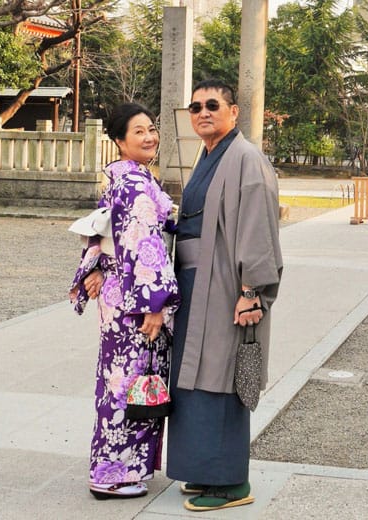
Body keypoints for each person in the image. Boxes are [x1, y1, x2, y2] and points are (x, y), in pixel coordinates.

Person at [166, 78, 284, 512]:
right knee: (193, 376)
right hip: (195, 283)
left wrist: (252, 292)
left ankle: (231, 481)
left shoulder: (247, 159)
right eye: (195, 107)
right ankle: (203, 469)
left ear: (233, 112)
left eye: (212, 105)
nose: (203, 113)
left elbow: (258, 229)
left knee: (221, 375)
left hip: (227, 286)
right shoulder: (208, 156)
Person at [69, 103, 180, 500]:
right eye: (139, 132)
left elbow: (104, 230)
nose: (149, 137)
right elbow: (141, 245)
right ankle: (110, 475)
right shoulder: (133, 182)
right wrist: (154, 303)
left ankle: (120, 467)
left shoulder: (127, 177)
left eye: (151, 129)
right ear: (119, 140)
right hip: (135, 298)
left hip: (120, 292)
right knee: (128, 381)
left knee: (121, 379)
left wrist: (101, 267)